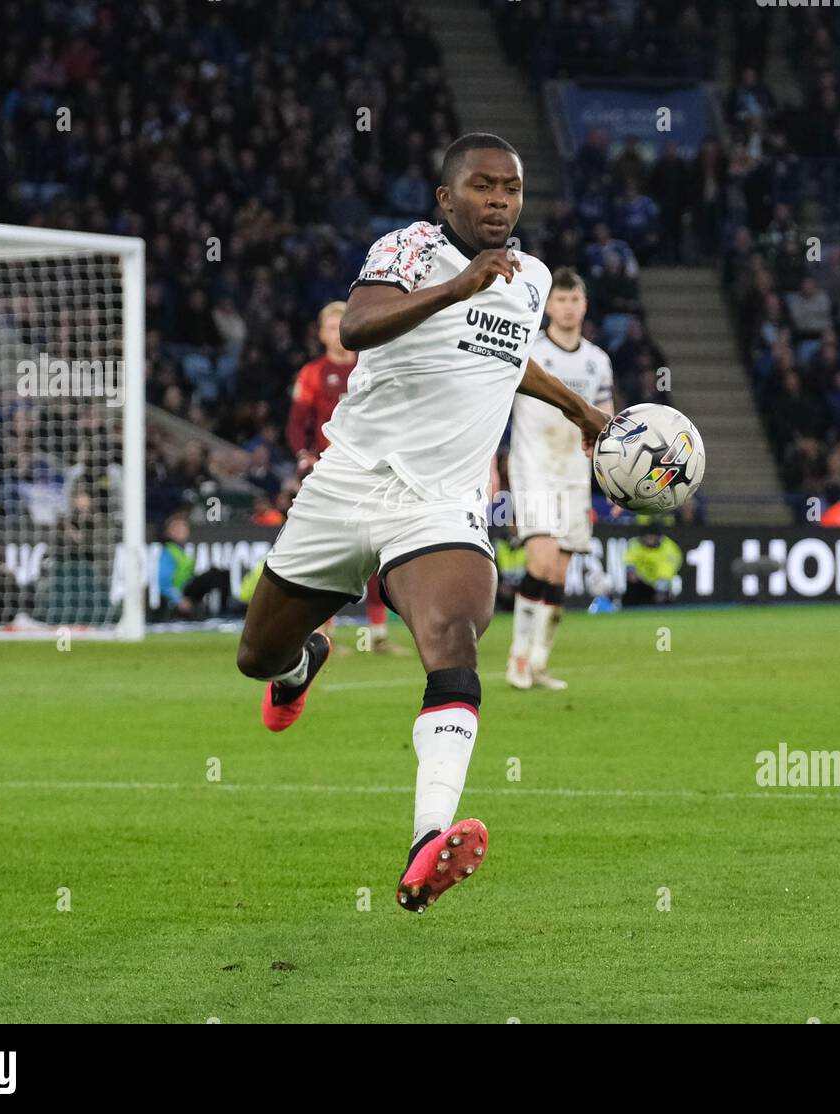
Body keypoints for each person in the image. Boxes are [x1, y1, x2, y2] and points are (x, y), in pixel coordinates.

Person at [235, 134, 610, 913]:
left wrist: (579, 408)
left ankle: (426, 841)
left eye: (511, 188)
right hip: (345, 485)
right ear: (447, 199)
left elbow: (506, 358)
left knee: (453, 637)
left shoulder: (532, 279)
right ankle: (304, 661)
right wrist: (458, 286)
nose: (500, 200)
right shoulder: (407, 249)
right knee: (255, 657)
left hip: (442, 504)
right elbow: (359, 328)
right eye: (482, 186)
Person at [505, 267, 613, 690]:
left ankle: (539, 663)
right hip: (533, 467)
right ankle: (517, 659)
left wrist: (615, 477)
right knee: (542, 560)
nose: (568, 308)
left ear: (584, 305)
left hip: (574, 472)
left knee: (559, 573)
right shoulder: (527, 351)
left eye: (575, 300)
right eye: (561, 300)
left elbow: (607, 418)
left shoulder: (597, 361)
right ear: (549, 305)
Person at [286, 300, 402, 654]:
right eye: (331, 327)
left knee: (376, 549)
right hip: (329, 472)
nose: (338, 334)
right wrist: (304, 458)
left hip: (371, 470)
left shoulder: (371, 366)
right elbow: (296, 425)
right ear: (321, 334)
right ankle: (324, 632)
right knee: (332, 552)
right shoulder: (312, 373)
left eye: (343, 325)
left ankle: (378, 635)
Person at [622, 530, 684, 606]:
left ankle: (665, 607)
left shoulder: (667, 547)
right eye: (647, 537)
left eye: (652, 537)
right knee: (631, 583)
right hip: (642, 579)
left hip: (660, 579)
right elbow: (629, 560)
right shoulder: (636, 545)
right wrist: (631, 571)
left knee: (665, 590)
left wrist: (662, 582)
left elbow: (669, 567)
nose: (649, 539)